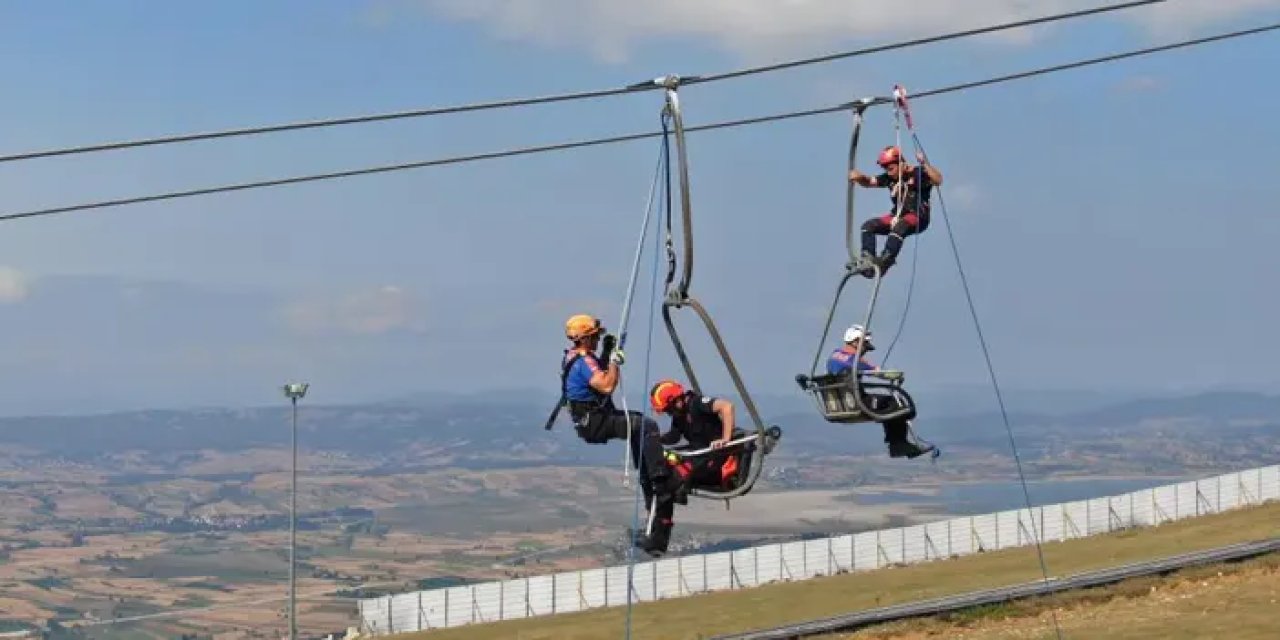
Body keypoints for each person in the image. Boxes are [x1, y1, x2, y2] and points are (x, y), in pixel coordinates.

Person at [554, 314, 688, 542]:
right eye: (595, 336)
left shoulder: (574, 358)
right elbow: (606, 385)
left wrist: (606, 354)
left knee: (640, 430)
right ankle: (660, 479)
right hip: (597, 422)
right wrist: (615, 361)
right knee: (646, 426)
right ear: (585, 338)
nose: (597, 340)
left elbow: (596, 378)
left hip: (592, 421)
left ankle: (651, 482)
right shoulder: (583, 362)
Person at [642, 379, 742, 556]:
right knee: (658, 473)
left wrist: (725, 439)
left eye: (669, 409)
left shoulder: (696, 404)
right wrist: (656, 440)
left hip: (715, 459)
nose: (669, 413)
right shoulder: (679, 414)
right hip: (699, 457)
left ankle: (660, 539)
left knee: (668, 481)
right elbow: (674, 436)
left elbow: (727, 407)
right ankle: (656, 530)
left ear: (677, 400)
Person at [827, 324, 932, 459]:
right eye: (865, 347)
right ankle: (897, 444)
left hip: (839, 402)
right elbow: (876, 371)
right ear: (856, 342)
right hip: (856, 402)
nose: (865, 352)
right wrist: (893, 375)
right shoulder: (854, 360)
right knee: (896, 403)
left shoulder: (834, 356)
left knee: (886, 403)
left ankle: (897, 443)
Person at [849, 145, 943, 277]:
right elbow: (869, 181)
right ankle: (868, 260)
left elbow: (938, 180)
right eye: (885, 169)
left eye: (891, 168)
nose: (888, 172)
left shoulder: (918, 173)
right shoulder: (889, 178)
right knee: (868, 226)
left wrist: (924, 163)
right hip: (898, 216)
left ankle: (885, 261)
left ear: (901, 163)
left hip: (918, 216)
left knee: (900, 226)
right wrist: (859, 177)